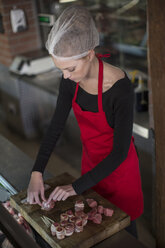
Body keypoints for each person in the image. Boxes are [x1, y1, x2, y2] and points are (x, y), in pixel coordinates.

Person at [27, 5, 143, 237]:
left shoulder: (119, 89)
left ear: (89, 54)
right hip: (90, 165)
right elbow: (56, 126)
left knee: (124, 232)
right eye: (61, 70)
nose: (66, 77)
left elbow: (120, 152)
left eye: (70, 69)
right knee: (94, 228)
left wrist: (76, 186)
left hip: (120, 173)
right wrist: (36, 171)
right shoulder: (69, 80)